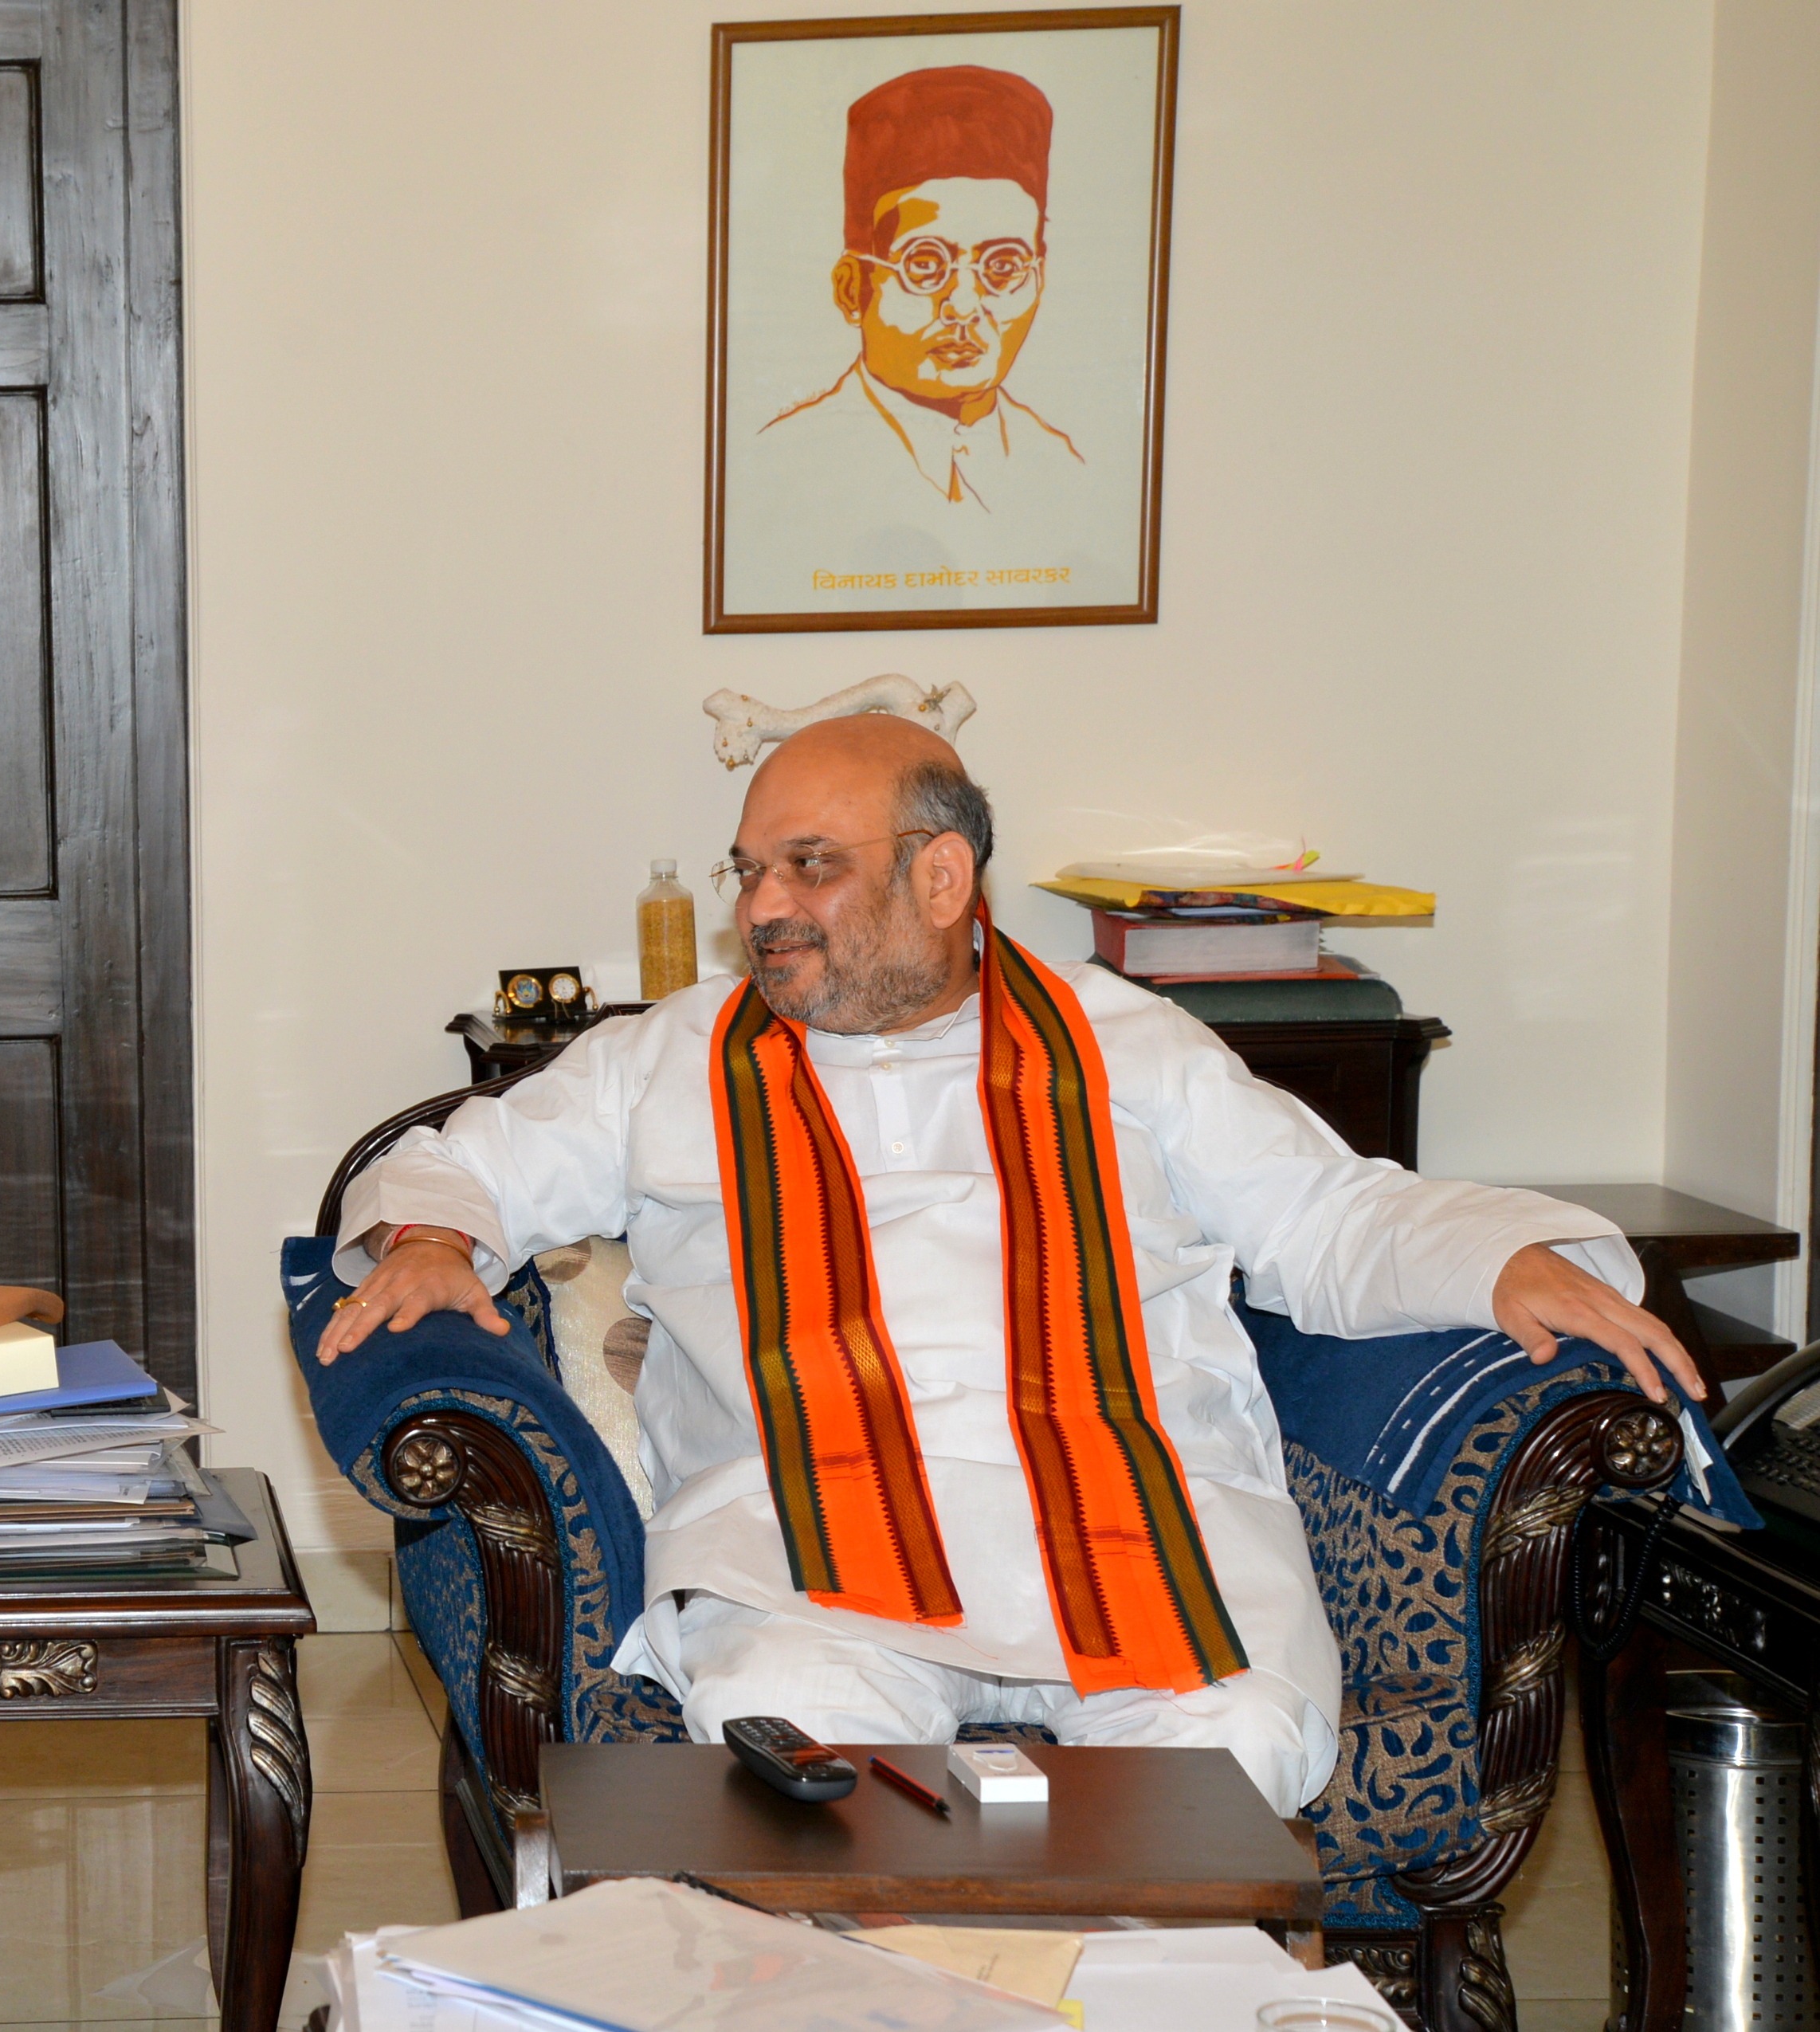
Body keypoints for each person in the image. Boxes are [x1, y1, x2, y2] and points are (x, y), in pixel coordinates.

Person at [316, 714, 1700, 1814]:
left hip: (1130, 1518)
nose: (760, 907)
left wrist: (1506, 1259)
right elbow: (463, 1161)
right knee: (797, 1763)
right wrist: (437, 1237)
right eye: (749, 868)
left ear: (939, 876)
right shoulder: (663, 1059)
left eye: (808, 864)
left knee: (1232, 1744)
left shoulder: (1124, 1041)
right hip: (806, 1547)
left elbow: (1321, 1218)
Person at [755, 66, 1082, 513]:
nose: (964, 306)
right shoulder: (781, 468)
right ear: (852, 289)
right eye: (925, 265)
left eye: (1003, 266)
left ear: (1038, 283)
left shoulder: (1063, 467)